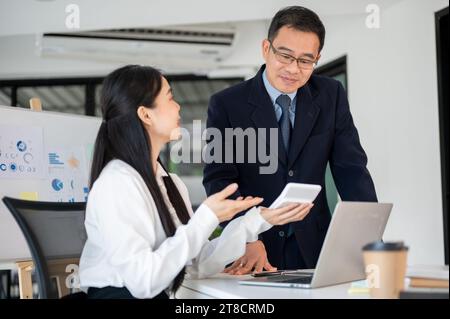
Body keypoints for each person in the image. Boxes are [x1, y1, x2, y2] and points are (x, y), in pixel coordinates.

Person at [78, 65, 313, 299]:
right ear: (146, 114)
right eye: (170, 97)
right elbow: (143, 281)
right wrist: (207, 217)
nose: (178, 106)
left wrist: (256, 221)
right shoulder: (117, 183)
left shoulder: (170, 182)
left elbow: (194, 265)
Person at [203, 6, 377, 275]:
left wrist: (366, 238)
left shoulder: (330, 95)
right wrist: (247, 237)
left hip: (314, 245)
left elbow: (351, 170)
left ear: (317, 58)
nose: (293, 69)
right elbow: (220, 179)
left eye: (306, 60)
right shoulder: (227, 104)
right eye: (285, 56)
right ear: (266, 49)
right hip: (254, 250)